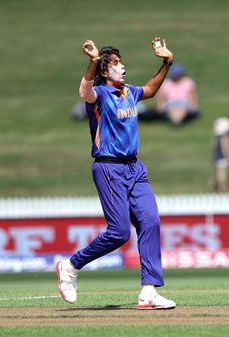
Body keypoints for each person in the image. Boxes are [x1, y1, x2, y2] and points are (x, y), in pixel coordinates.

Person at [55, 37, 176, 310]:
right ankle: (70, 267)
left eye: (121, 63)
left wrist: (167, 62)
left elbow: (151, 90)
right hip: (109, 166)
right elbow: (84, 91)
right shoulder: (99, 95)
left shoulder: (129, 92)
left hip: (135, 168)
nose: (123, 68)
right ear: (105, 71)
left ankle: (149, 292)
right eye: (117, 64)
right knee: (120, 232)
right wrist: (93, 61)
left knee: (150, 222)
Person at [211, 117, 229, 193]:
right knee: (222, 173)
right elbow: (225, 148)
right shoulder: (224, 138)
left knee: (217, 171)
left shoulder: (217, 137)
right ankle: (222, 187)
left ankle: (214, 184)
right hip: (221, 157)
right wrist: (228, 157)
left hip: (216, 156)